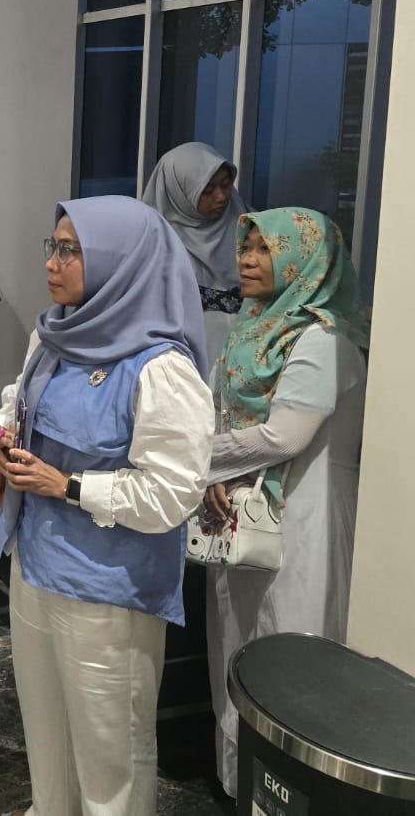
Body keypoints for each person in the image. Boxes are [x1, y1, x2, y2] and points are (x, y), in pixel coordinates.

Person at [0, 196, 212, 816]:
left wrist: (69, 485)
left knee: (112, 753)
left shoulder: (160, 368)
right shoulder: (54, 333)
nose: (52, 263)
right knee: (46, 732)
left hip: (108, 590)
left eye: (72, 251)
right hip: (36, 564)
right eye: (53, 246)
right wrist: (0, 432)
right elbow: (19, 400)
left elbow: (173, 492)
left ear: (122, 264)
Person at [203, 208, 368, 799]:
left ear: (305, 261)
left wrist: (203, 460)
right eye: (244, 247)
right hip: (242, 509)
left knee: (291, 650)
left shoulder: (322, 340)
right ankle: (239, 785)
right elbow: (220, 409)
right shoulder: (250, 330)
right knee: (236, 645)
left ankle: (288, 795)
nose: (246, 259)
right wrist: (216, 469)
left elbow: (285, 437)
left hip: (303, 515)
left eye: (265, 249)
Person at [142, 141, 250, 366]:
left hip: (247, 366)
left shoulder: (254, 232)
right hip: (180, 366)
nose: (221, 197)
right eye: (207, 190)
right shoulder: (152, 246)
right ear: (177, 192)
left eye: (226, 185)